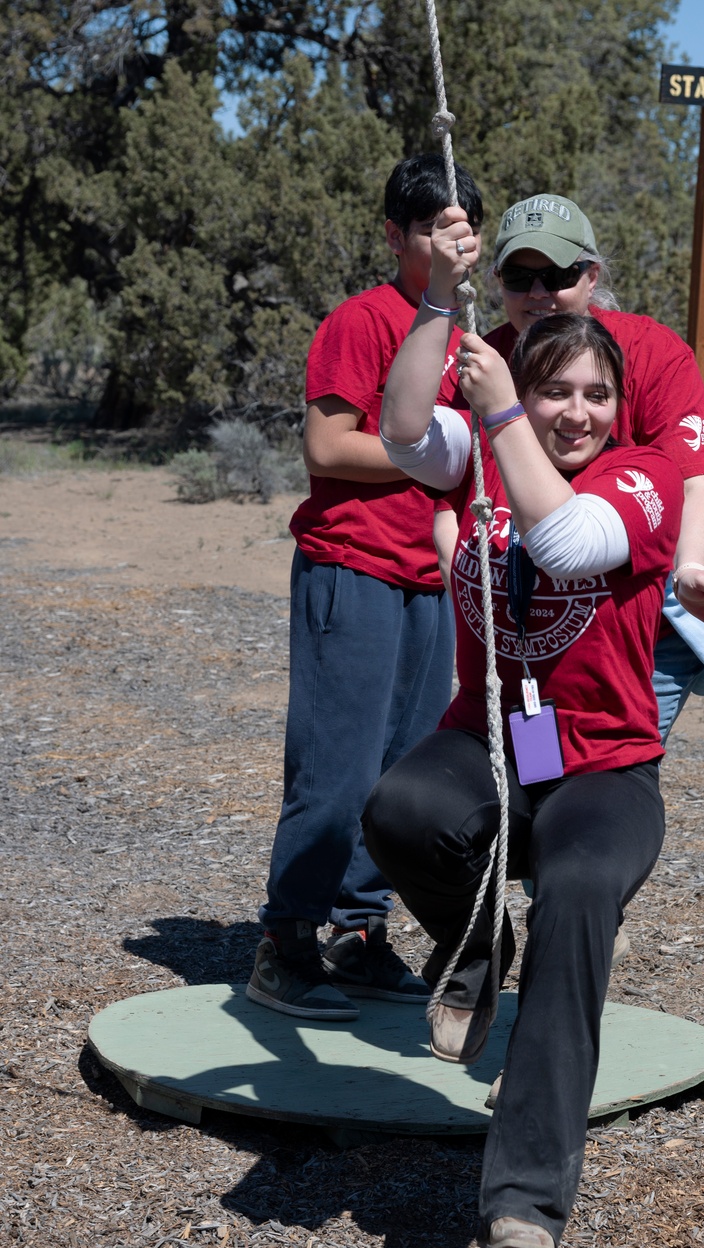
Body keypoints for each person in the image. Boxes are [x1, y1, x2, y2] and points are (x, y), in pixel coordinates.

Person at [362, 209, 704, 1248]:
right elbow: (397, 431)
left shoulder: (641, 477)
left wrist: (498, 422)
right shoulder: (478, 453)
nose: (573, 412)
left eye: (593, 395)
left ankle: (527, 1188)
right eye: (551, 392)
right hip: (500, 739)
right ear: (523, 394)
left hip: (603, 768)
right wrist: (437, 297)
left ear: (618, 408)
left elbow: (565, 543)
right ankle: (479, 939)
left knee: (576, 895)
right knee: (401, 811)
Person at [245, 155, 484, 1021]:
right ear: (395, 235)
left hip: (434, 582)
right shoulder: (363, 320)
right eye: (429, 229)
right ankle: (286, 942)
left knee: (399, 780)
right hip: (353, 570)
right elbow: (327, 450)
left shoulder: (478, 338)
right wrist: (428, 445)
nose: (445, 244)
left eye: (459, 231)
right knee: (336, 769)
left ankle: (358, 932)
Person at [483, 194, 704, 742]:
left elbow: (694, 479)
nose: (537, 294)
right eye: (518, 276)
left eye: (556, 275)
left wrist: (689, 565)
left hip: (645, 621)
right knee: (533, 775)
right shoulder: (488, 361)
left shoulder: (651, 351)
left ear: (591, 275)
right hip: (528, 617)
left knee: (605, 767)